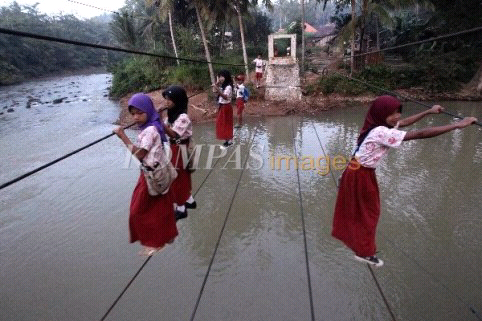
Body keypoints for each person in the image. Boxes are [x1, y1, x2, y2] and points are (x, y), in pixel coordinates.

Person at [332, 95, 477, 267]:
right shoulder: (381, 132)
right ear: (381, 113)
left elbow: (405, 122)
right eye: (392, 113)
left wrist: (429, 112)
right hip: (360, 174)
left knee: (365, 211)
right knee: (370, 212)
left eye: (398, 112)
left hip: (356, 170)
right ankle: (364, 252)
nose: (397, 116)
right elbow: (420, 134)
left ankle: (361, 246)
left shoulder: (377, 125)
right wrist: (458, 125)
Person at [113, 93, 178, 256]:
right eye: (133, 113)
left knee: (137, 210)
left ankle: (154, 242)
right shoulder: (155, 122)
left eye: (140, 113)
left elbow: (140, 155)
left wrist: (123, 137)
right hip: (159, 171)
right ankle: (167, 236)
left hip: (151, 174)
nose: (136, 117)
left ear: (148, 111)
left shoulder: (149, 130)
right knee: (161, 207)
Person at [161, 85, 196, 221]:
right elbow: (164, 130)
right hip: (175, 148)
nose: (167, 102)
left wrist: (158, 120)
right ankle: (190, 201)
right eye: (166, 99)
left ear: (178, 100)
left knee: (177, 178)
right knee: (183, 176)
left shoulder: (183, 117)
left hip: (180, 149)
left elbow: (174, 134)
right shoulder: (172, 115)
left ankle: (181, 208)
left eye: (170, 99)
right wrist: (158, 118)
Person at [212, 70, 234, 147]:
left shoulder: (228, 87)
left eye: (222, 76)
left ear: (226, 77)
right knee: (221, 123)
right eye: (219, 76)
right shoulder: (223, 86)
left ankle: (229, 141)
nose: (220, 78)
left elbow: (225, 97)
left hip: (226, 107)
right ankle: (227, 140)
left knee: (227, 124)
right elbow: (214, 90)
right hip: (222, 106)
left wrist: (217, 88)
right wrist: (217, 84)